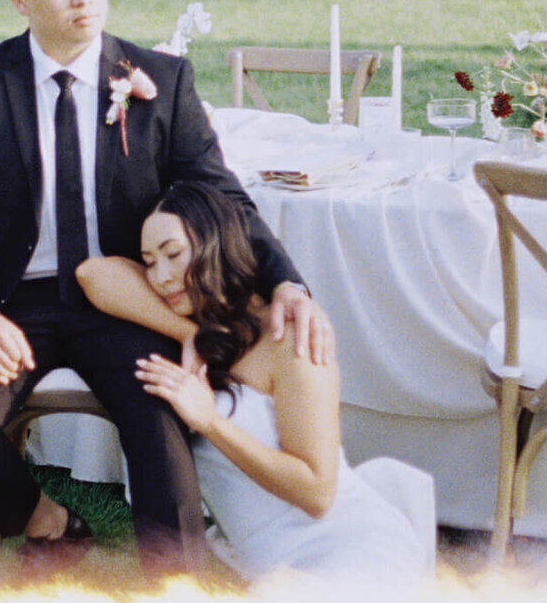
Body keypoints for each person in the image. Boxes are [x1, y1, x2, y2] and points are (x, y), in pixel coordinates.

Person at [0, 0, 331, 572]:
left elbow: (224, 195)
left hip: (129, 300)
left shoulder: (160, 82)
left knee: (162, 424)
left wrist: (287, 281)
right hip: (14, 300)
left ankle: (174, 599)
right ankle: (44, 520)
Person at [76, 181, 436, 582]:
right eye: (149, 261)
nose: (159, 277)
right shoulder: (194, 326)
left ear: (218, 244)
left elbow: (317, 493)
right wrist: (187, 333)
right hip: (268, 559)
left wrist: (211, 422)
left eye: (173, 254)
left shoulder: (290, 339)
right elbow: (94, 275)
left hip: (346, 550)